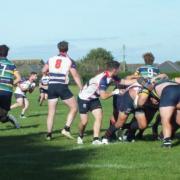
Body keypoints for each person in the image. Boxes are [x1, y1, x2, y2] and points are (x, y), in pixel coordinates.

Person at [77, 61, 137, 145]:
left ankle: (95, 139)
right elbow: (103, 96)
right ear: (114, 69)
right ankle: (80, 135)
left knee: (99, 117)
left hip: (94, 99)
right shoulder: (103, 79)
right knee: (84, 122)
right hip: (84, 98)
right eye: (118, 69)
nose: (119, 70)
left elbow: (124, 81)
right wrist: (115, 92)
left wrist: (138, 81)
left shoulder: (112, 76)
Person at [42, 41, 83, 140]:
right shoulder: (70, 61)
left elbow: (43, 70)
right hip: (62, 86)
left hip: (51, 86)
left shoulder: (51, 59)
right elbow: (75, 75)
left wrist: (49, 73)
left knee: (51, 111)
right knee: (74, 107)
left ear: (58, 48)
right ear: (67, 49)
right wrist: (81, 87)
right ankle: (66, 128)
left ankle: (49, 134)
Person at [137, 77, 180, 148]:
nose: (155, 102)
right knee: (178, 120)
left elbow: (141, 102)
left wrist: (144, 85)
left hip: (169, 92)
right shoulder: (169, 79)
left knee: (165, 120)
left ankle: (167, 141)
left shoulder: (149, 86)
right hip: (177, 88)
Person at [0, 44, 21, 128]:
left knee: (2, 117)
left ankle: (8, 118)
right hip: (7, 91)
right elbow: (19, 78)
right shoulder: (11, 64)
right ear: (7, 54)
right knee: (2, 115)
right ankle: (7, 117)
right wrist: (10, 84)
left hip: (5, 92)